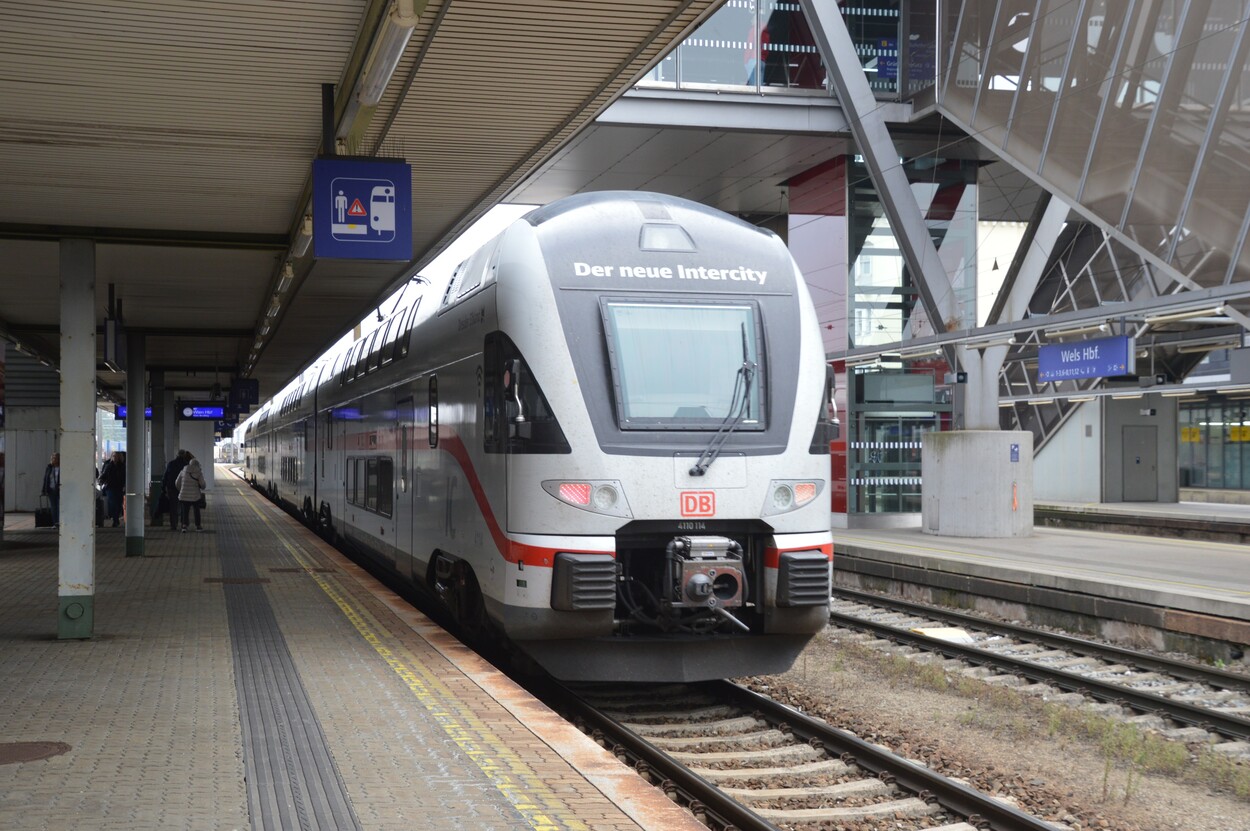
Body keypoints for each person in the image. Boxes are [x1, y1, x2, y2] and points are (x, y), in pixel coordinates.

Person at [156, 450, 190, 530]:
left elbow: (165, 476)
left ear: (177, 455)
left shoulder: (171, 464)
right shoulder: (186, 465)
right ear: (184, 455)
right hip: (183, 488)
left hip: (172, 488)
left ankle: (173, 525)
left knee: (173, 507)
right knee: (183, 507)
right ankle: (184, 524)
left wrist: (163, 488)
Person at [175, 455, 206, 532]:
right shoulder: (198, 472)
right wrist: (202, 487)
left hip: (184, 494)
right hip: (195, 496)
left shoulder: (183, 471)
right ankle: (198, 526)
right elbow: (202, 485)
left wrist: (181, 489)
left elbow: (177, 483)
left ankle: (184, 526)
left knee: (185, 510)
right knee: (196, 511)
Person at [97, 450, 126, 527]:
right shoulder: (109, 465)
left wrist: (125, 486)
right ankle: (115, 519)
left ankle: (115, 518)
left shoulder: (123, 466)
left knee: (118, 503)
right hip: (110, 487)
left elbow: (126, 477)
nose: (114, 458)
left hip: (119, 487)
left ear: (120, 457)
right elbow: (104, 475)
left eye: (116, 456)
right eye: (113, 456)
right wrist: (101, 481)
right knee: (113, 503)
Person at [41, 452, 61, 527]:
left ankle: (59, 522)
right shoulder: (49, 467)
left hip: (59, 489)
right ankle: (55, 523)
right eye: (52, 458)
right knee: (53, 507)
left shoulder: (61, 467)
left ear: (59, 459)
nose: (54, 459)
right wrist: (44, 490)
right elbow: (45, 479)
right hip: (51, 489)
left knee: (59, 506)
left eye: (55, 458)